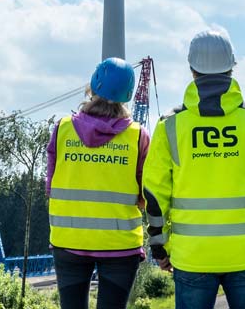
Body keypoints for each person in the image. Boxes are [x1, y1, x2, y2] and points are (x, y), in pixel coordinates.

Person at [143, 30, 245, 309]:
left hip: (191, 256)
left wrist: (159, 247)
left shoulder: (169, 126)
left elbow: (154, 195)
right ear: (232, 67)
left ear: (191, 69)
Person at [45, 57, 151, 309]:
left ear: (92, 86)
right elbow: (146, 194)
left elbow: (51, 187)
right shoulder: (137, 136)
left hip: (69, 241)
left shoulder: (63, 129)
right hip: (120, 245)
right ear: (128, 93)